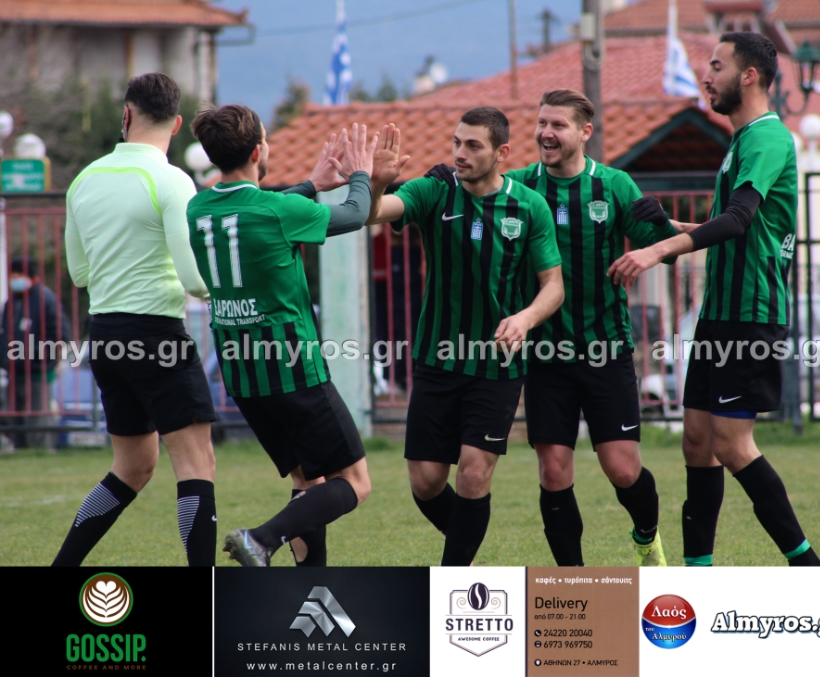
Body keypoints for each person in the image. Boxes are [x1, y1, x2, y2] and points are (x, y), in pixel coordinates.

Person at [427, 90, 677, 567]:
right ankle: (573, 578)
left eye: (558, 125)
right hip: (544, 353)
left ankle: (647, 539)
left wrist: (663, 225)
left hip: (605, 347)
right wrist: (443, 182)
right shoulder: (518, 185)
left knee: (622, 468)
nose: (546, 132)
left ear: (585, 132)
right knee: (554, 471)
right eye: (542, 123)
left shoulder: (614, 185)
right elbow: (471, 193)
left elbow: (662, 249)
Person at [608, 33, 820, 566]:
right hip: (719, 314)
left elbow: (738, 220)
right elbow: (727, 229)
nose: (706, 76)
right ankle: (697, 575)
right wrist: (668, 226)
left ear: (749, 76)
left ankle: (810, 567)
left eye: (716, 65)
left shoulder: (767, 137)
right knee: (698, 443)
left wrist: (658, 249)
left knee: (731, 444)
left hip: (750, 314)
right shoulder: (741, 140)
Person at [367, 108, 564, 566]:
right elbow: (373, 214)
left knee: (474, 474)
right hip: (437, 358)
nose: (460, 153)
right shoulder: (434, 190)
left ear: (501, 153)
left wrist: (525, 319)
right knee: (425, 482)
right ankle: (467, 543)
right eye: (457, 142)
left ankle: (452, 581)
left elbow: (553, 286)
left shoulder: (529, 206)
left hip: (496, 365)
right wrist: (376, 184)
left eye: (473, 145)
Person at [187, 105, 374, 567]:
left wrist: (309, 185)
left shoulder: (198, 207)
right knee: (354, 482)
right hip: (293, 371)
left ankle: (309, 591)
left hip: (242, 375)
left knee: (307, 482)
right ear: (258, 151)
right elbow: (356, 214)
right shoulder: (278, 211)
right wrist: (361, 174)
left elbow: (253, 215)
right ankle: (260, 538)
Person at [54, 73, 218, 566]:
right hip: (156, 334)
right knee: (197, 464)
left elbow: (80, 274)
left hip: (104, 335)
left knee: (133, 467)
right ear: (178, 125)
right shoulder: (172, 180)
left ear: (126, 115)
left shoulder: (84, 179)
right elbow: (194, 281)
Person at [1, 255, 72, 451]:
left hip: (38, 372)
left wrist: (38, 357)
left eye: (18, 274)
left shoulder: (46, 299)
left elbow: (61, 334)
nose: (14, 279)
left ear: (31, 276)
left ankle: (41, 452)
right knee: (13, 416)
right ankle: (20, 451)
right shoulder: (11, 303)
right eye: (12, 275)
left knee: (37, 419)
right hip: (14, 371)